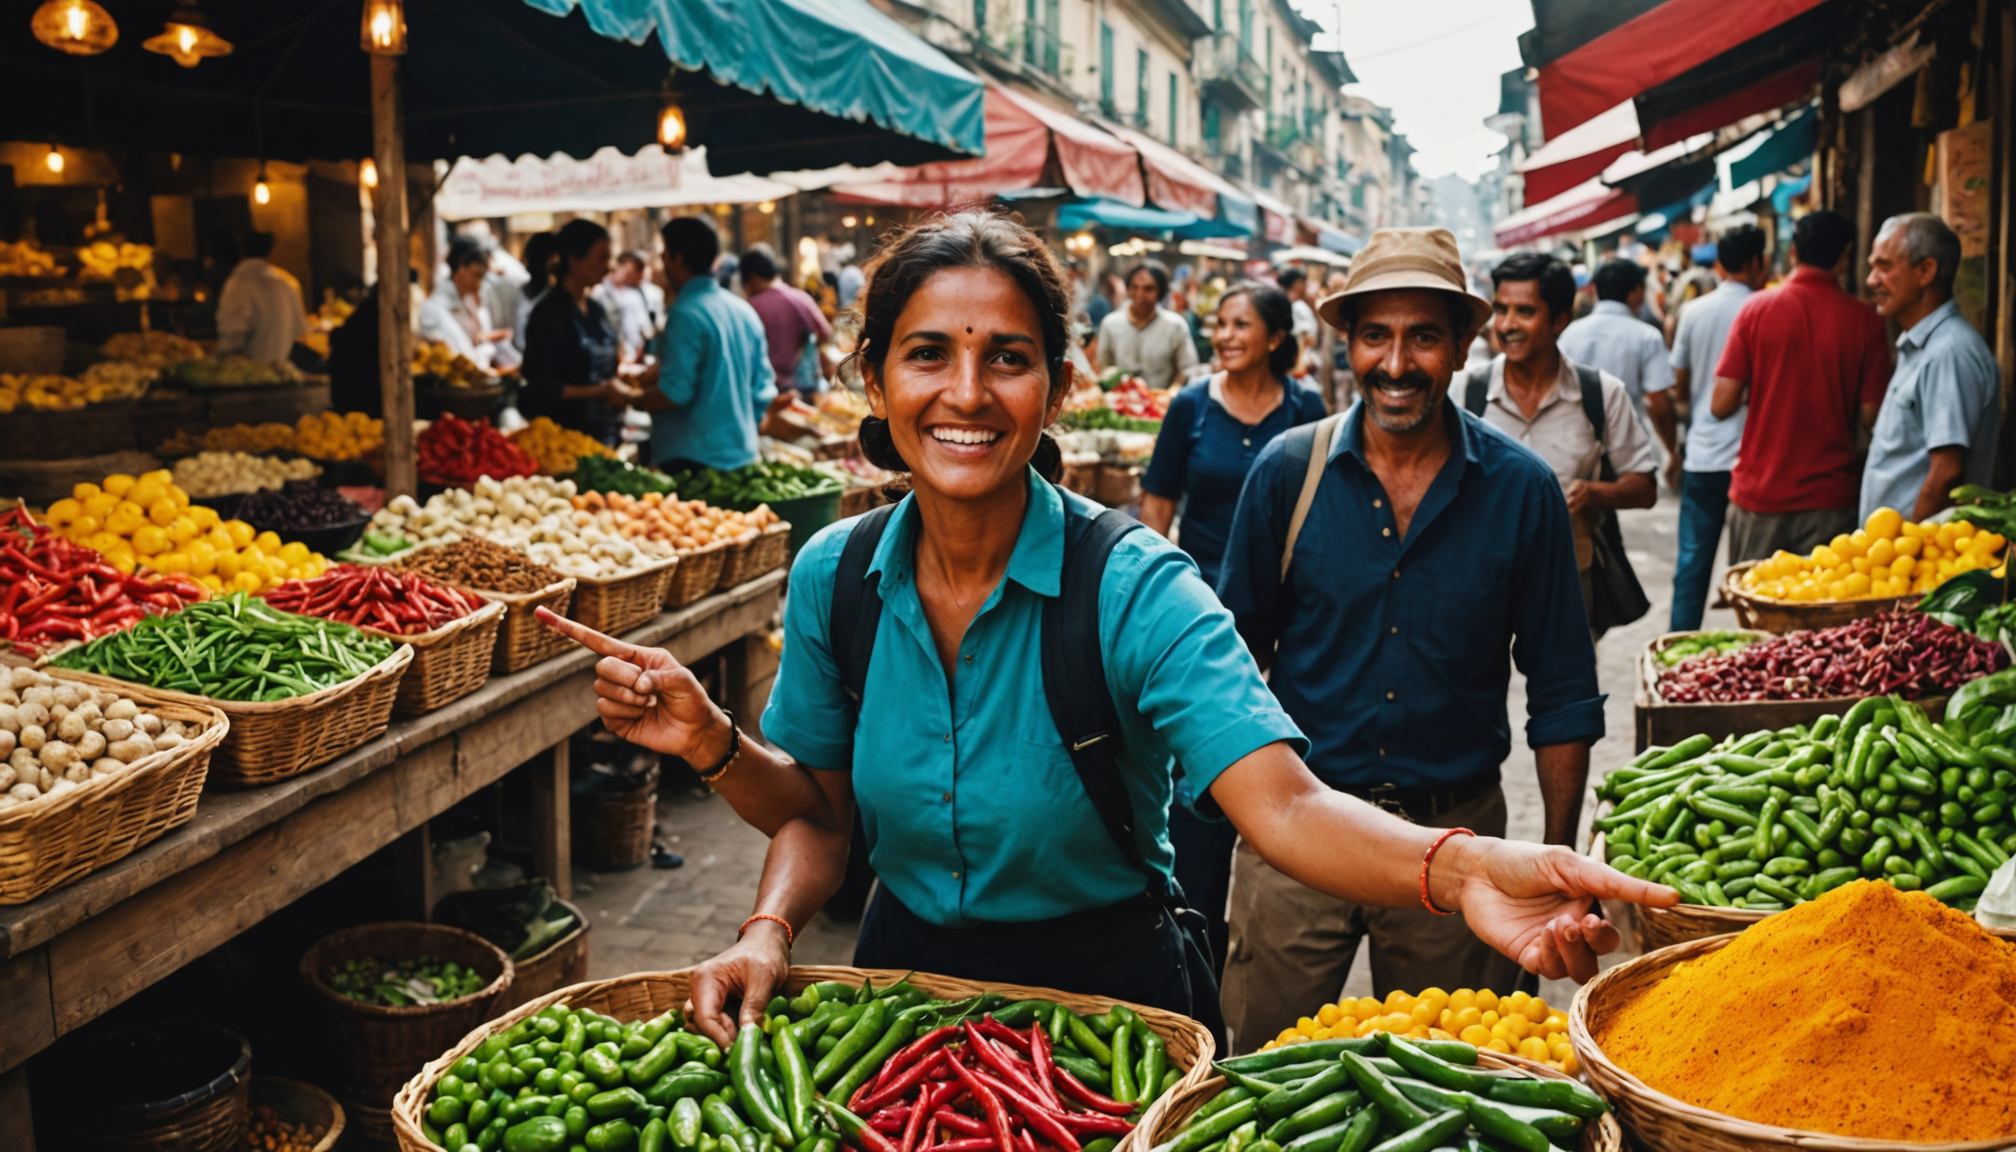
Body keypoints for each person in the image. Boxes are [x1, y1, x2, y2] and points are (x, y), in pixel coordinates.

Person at [533, 212, 1670, 1050]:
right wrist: (732, 804)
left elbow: (1282, 804)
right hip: (896, 998)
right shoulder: (838, 576)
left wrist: (1461, 864)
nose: (966, 394)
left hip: (1111, 1004)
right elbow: (823, 824)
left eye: (1008, 358)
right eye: (929, 353)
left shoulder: (1133, 583)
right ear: (872, 378)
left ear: (1059, 386)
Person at [1213, 227, 1614, 1048]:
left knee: (1453, 1094)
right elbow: (1227, 669)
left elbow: (1563, 692)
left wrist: (1556, 866)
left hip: (1458, 841)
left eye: (1423, 337)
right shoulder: (1288, 474)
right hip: (1300, 840)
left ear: (1464, 346)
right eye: (1374, 336)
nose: (1395, 364)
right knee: (1259, 1081)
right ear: (1345, 345)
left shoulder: (1522, 492)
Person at [1138, 282, 1328, 978]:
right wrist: (1137, 599)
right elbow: (1157, 504)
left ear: (1277, 337)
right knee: (1196, 786)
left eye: (1239, 324)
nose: (1223, 335)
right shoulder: (1191, 406)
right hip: (1194, 617)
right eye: (1217, 324)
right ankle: (1196, 947)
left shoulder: (1310, 411)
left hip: (1282, 619)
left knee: (1269, 764)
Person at [1474, 253, 1657, 617]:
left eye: (1524, 312)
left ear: (1560, 320)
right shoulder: (1467, 393)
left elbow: (1645, 489)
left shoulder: (1601, 394)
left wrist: (1592, 493)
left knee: (1567, 674)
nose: (1507, 324)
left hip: (1570, 582)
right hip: (1481, 583)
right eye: (1501, 310)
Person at [1711, 210, 1892, 561]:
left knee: (1755, 609)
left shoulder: (1756, 309)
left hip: (1761, 494)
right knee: (1827, 612)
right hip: (1831, 499)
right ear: (1846, 254)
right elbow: (1873, 417)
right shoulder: (1866, 321)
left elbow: (1721, 404)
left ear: (1793, 251)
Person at [1860, 212, 2001, 523]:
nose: (1872, 280)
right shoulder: (1925, 345)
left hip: (1916, 559)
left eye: (1884, 266)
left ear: (1926, 271)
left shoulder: (1947, 353)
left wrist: (1910, 550)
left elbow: (1946, 473)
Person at [1667, 224, 1770, 631]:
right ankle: (1752, 654)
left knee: (1692, 562)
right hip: (1752, 456)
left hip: (1704, 453)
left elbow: (1678, 382)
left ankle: (1678, 645)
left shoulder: (1694, 310)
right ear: (1755, 262)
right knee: (1752, 571)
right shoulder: (1765, 307)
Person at [631, 216, 778, 474]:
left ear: (677, 259)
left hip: (693, 462)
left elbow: (675, 393)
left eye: (663, 253)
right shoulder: (743, 310)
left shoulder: (685, 314)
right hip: (742, 456)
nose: (660, 262)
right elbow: (763, 390)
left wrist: (629, 399)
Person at [519, 219, 639, 446]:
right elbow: (542, 385)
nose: (609, 266)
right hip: (565, 436)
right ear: (574, 261)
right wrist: (599, 391)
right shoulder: (548, 313)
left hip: (606, 430)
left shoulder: (596, 308)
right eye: (602, 258)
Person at [1559, 259, 1676, 463]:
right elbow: (1659, 404)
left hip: (1574, 446)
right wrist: (1671, 450)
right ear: (1636, 291)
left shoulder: (1568, 335)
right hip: (1629, 447)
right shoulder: (1646, 336)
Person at [741, 246, 832, 400]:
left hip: (767, 392)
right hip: (804, 388)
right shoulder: (801, 298)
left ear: (752, 277)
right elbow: (825, 333)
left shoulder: (751, 306)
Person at [1097, 260, 1201, 389]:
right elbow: (1104, 365)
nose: (1140, 295)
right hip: (1120, 402)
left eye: (1148, 289)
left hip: (1162, 402)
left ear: (1160, 292)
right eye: (1134, 287)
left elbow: (1188, 368)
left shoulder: (1175, 326)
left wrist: (1172, 393)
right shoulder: (1110, 324)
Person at [215, 231, 308, 364]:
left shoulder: (238, 283)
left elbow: (231, 332)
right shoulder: (288, 283)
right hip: (281, 368)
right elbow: (300, 329)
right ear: (271, 251)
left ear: (243, 251)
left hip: (247, 371)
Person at [419, 237, 513, 370]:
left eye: (482, 276)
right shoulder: (436, 306)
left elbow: (474, 338)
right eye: (477, 275)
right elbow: (450, 350)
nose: (479, 283)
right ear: (461, 267)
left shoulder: (469, 300)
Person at [595, 250, 657, 361]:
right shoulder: (599, 292)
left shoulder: (634, 294)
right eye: (636, 269)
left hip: (633, 356)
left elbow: (643, 328)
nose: (640, 275)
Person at [1277, 266, 1320, 376]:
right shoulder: (1299, 307)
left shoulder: (1281, 304)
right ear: (1297, 283)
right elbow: (1310, 340)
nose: (1305, 286)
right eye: (1303, 282)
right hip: (1296, 365)